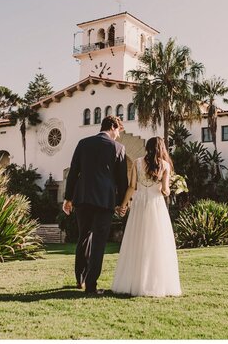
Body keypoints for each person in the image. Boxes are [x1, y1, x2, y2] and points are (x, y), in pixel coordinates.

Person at [62, 115, 128, 295]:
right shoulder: (118, 148)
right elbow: (122, 180)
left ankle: (80, 279)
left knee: (83, 237)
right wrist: (122, 203)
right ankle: (91, 286)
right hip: (105, 200)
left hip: (82, 198)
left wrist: (67, 198)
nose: (118, 136)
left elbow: (73, 171)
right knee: (99, 242)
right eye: (119, 131)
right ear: (113, 126)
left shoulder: (83, 143)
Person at [111, 136, 182, 297]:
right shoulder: (165, 166)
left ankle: (133, 282)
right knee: (156, 242)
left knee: (136, 240)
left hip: (139, 204)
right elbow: (165, 191)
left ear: (148, 148)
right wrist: (171, 187)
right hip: (156, 205)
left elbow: (131, 187)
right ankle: (153, 283)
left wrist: (123, 205)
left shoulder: (136, 162)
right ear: (162, 149)